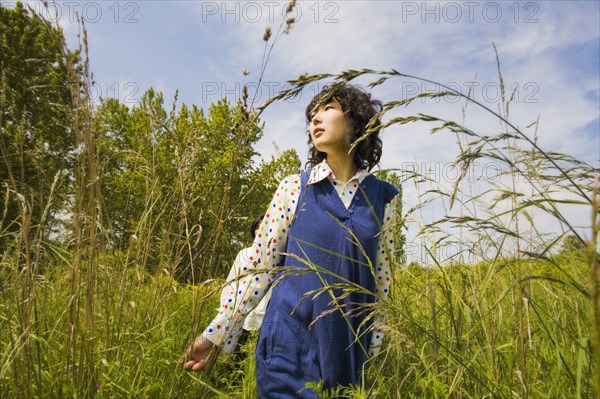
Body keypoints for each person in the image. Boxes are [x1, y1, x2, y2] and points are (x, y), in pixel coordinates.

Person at [182, 83, 399, 398]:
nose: (315, 119)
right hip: (288, 346)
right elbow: (258, 267)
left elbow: (381, 283)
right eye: (312, 114)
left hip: (349, 351)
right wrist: (218, 334)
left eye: (327, 109)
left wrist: (373, 349)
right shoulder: (294, 189)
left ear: (355, 119)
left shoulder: (383, 199)